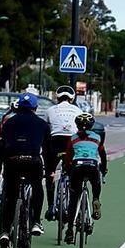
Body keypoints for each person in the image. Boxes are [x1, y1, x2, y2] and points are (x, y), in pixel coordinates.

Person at [0, 91, 51, 248]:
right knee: (37, 188)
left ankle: (5, 232)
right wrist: (51, 170)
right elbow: (47, 151)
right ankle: (35, 222)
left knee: (10, 196)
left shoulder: (8, 123)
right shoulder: (42, 124)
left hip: (12, 161)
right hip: (33, 161)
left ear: (18, 106)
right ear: (35, 107)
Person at [62, 112, 107, 245]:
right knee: (95, 183)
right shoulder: (97, 137)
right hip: (92, 166)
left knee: (73, 200)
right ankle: (96, 199)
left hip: (77, 167)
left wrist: (67, 169)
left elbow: (68, 157)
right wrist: (104, 170)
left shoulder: (73, 138)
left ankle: (70, 230)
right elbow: (102, 155)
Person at [43, 85, 82, 221]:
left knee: (50, 171)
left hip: (56, 141)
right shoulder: (77, 110)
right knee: (74, 174)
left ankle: (51, 207)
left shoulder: (50, 110)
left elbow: (46, 129)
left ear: (57, 98)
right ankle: (72, 207)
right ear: (72, 98)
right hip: (71, 142)